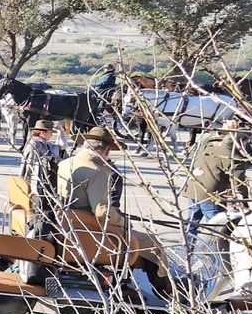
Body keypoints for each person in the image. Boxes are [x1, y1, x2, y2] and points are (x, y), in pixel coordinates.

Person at [57, 126, 171, 294]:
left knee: (132, 236)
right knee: (150, 241)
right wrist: (124, 221)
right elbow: (102, 212)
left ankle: (128, 283)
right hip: (88, 229)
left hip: (70, 224)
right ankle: (164, 289)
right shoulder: (98, 171)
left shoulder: (65, 163)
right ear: (107, 150)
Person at [183, 119, 250, 252]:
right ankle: (215, 255)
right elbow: (238, 175)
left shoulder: (207, 139)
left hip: (194, 186)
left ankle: (188, 249)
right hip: (211, 194)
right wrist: (242, 196)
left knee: (191, 222)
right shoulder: (229, 150)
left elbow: (191, 154)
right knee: (217, 226)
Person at [18, 119, 64, 201]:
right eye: (50, 132)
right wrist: (28, 186)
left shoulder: (42, 143)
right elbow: (29, 167)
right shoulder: (36, 145)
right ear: (43, 133)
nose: (52, 134)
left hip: (39, 183)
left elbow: (61, 148)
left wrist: (61, 131)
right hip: (36, 185)